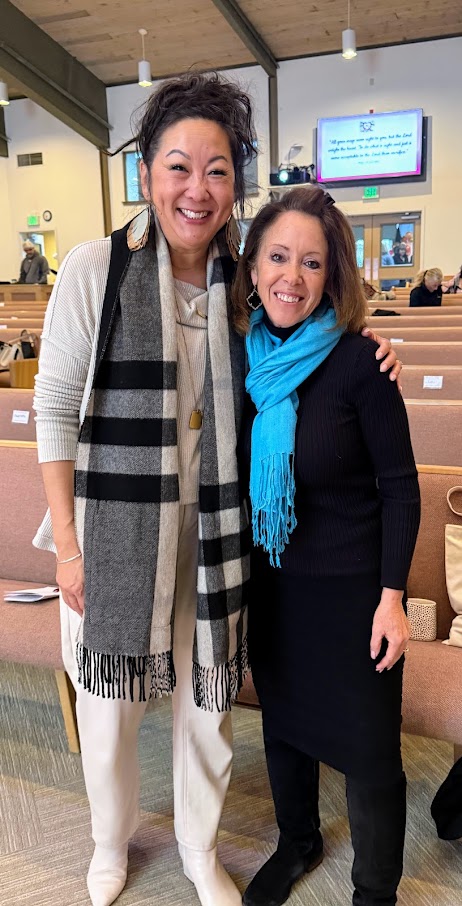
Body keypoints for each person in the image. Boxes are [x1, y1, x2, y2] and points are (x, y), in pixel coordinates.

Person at [32, 73, 401, 906]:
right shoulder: (97, 268)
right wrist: (68, 544)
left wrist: (377, 345)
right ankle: (109, 843)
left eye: (217, 170)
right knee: (109, 707)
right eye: (177, 167)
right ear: (146, 174)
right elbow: (53, 409)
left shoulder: (244, 283)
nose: (196, 189)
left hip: (217, 531)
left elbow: (311, 339)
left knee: (209, 704)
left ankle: (199, 848)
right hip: (115, 529)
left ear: (237, 182)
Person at [233, 186, 420, 906]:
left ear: (331, 275)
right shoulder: (243, 362)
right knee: (283, 727)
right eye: (278, 257)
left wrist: (392, 599)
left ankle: (375, 892)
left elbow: (400, 489)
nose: (292, 276)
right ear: (254, 267)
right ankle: (298, 842)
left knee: (371, 752)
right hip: (274, 584)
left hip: (352, 595)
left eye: (311, 263)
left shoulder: (361, 362)